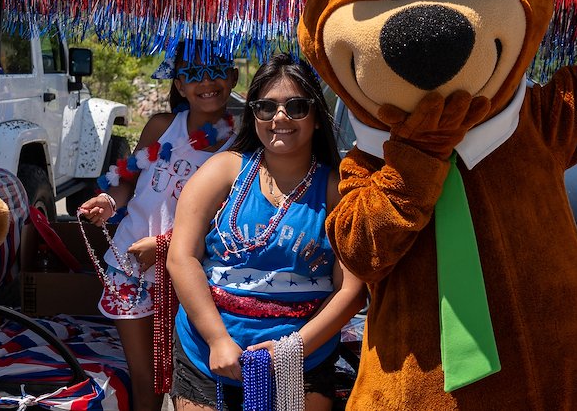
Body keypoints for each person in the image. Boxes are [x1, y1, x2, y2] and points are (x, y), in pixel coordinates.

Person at [167, 53, 366, 411]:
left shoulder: (337, 190)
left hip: (303, 357)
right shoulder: (223, 171)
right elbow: (182, 258)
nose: (280, 118)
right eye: (266, 107)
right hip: (207, 354)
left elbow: (350, 290)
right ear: (253, 114)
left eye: (296, 107)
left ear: (317, 118)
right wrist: (217, 340)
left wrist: (292, 349)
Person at [78, 41, 239, 411]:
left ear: (231, 78)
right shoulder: (161, 126)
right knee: (145, 377)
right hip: (129, 268)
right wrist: (109, 201)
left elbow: (221, 220)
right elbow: (128, 179)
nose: (206, 82)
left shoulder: (237, 145)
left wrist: (165, 245)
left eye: (216, 71)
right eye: (193, 74)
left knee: (185, 375)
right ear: (180, 85)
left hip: (187, 274)